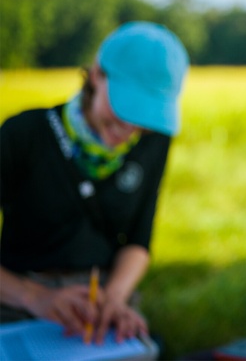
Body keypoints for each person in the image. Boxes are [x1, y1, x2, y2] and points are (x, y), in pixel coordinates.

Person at [0, 21, 189, 345]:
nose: (128, 129)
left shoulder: (153, 141)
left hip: (103, 299)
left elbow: (138, 239)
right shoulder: (24, 134)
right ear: (97, 75)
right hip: (18, 298)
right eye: (124, 108)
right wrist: (34, 297)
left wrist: (115, 298)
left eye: (145, 119)